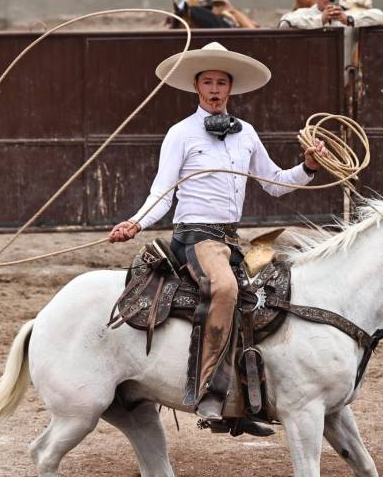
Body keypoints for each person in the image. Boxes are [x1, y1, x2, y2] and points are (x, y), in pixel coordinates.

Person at [107, 42, 327, 435]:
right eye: (207, 82)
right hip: (196, 238)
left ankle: (248, 399)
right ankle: (209, 392)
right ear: (196, 87)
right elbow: (162, 192)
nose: (214, 89)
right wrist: (136, 223)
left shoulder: (247, 134)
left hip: (232, 240)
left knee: (278, 273)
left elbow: (276, 183)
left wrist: (308, 166)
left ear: (230, 88)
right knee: (224, 288)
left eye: (221, 83)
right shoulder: (180, 133)